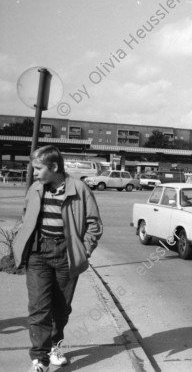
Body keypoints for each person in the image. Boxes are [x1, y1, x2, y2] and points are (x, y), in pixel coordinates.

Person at [12, 146, 103, 372]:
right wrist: (19, 235)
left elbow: (94, 225)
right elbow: (26, 216)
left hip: (66, 254)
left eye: (38, 168)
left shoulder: (80, 189)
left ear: (53, 167)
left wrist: (85, 250)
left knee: (61, 309)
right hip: (38, 253)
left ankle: (54, 346)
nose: (34, 173)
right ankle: (39, 359)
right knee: (38, 308)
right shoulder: (36, 188)